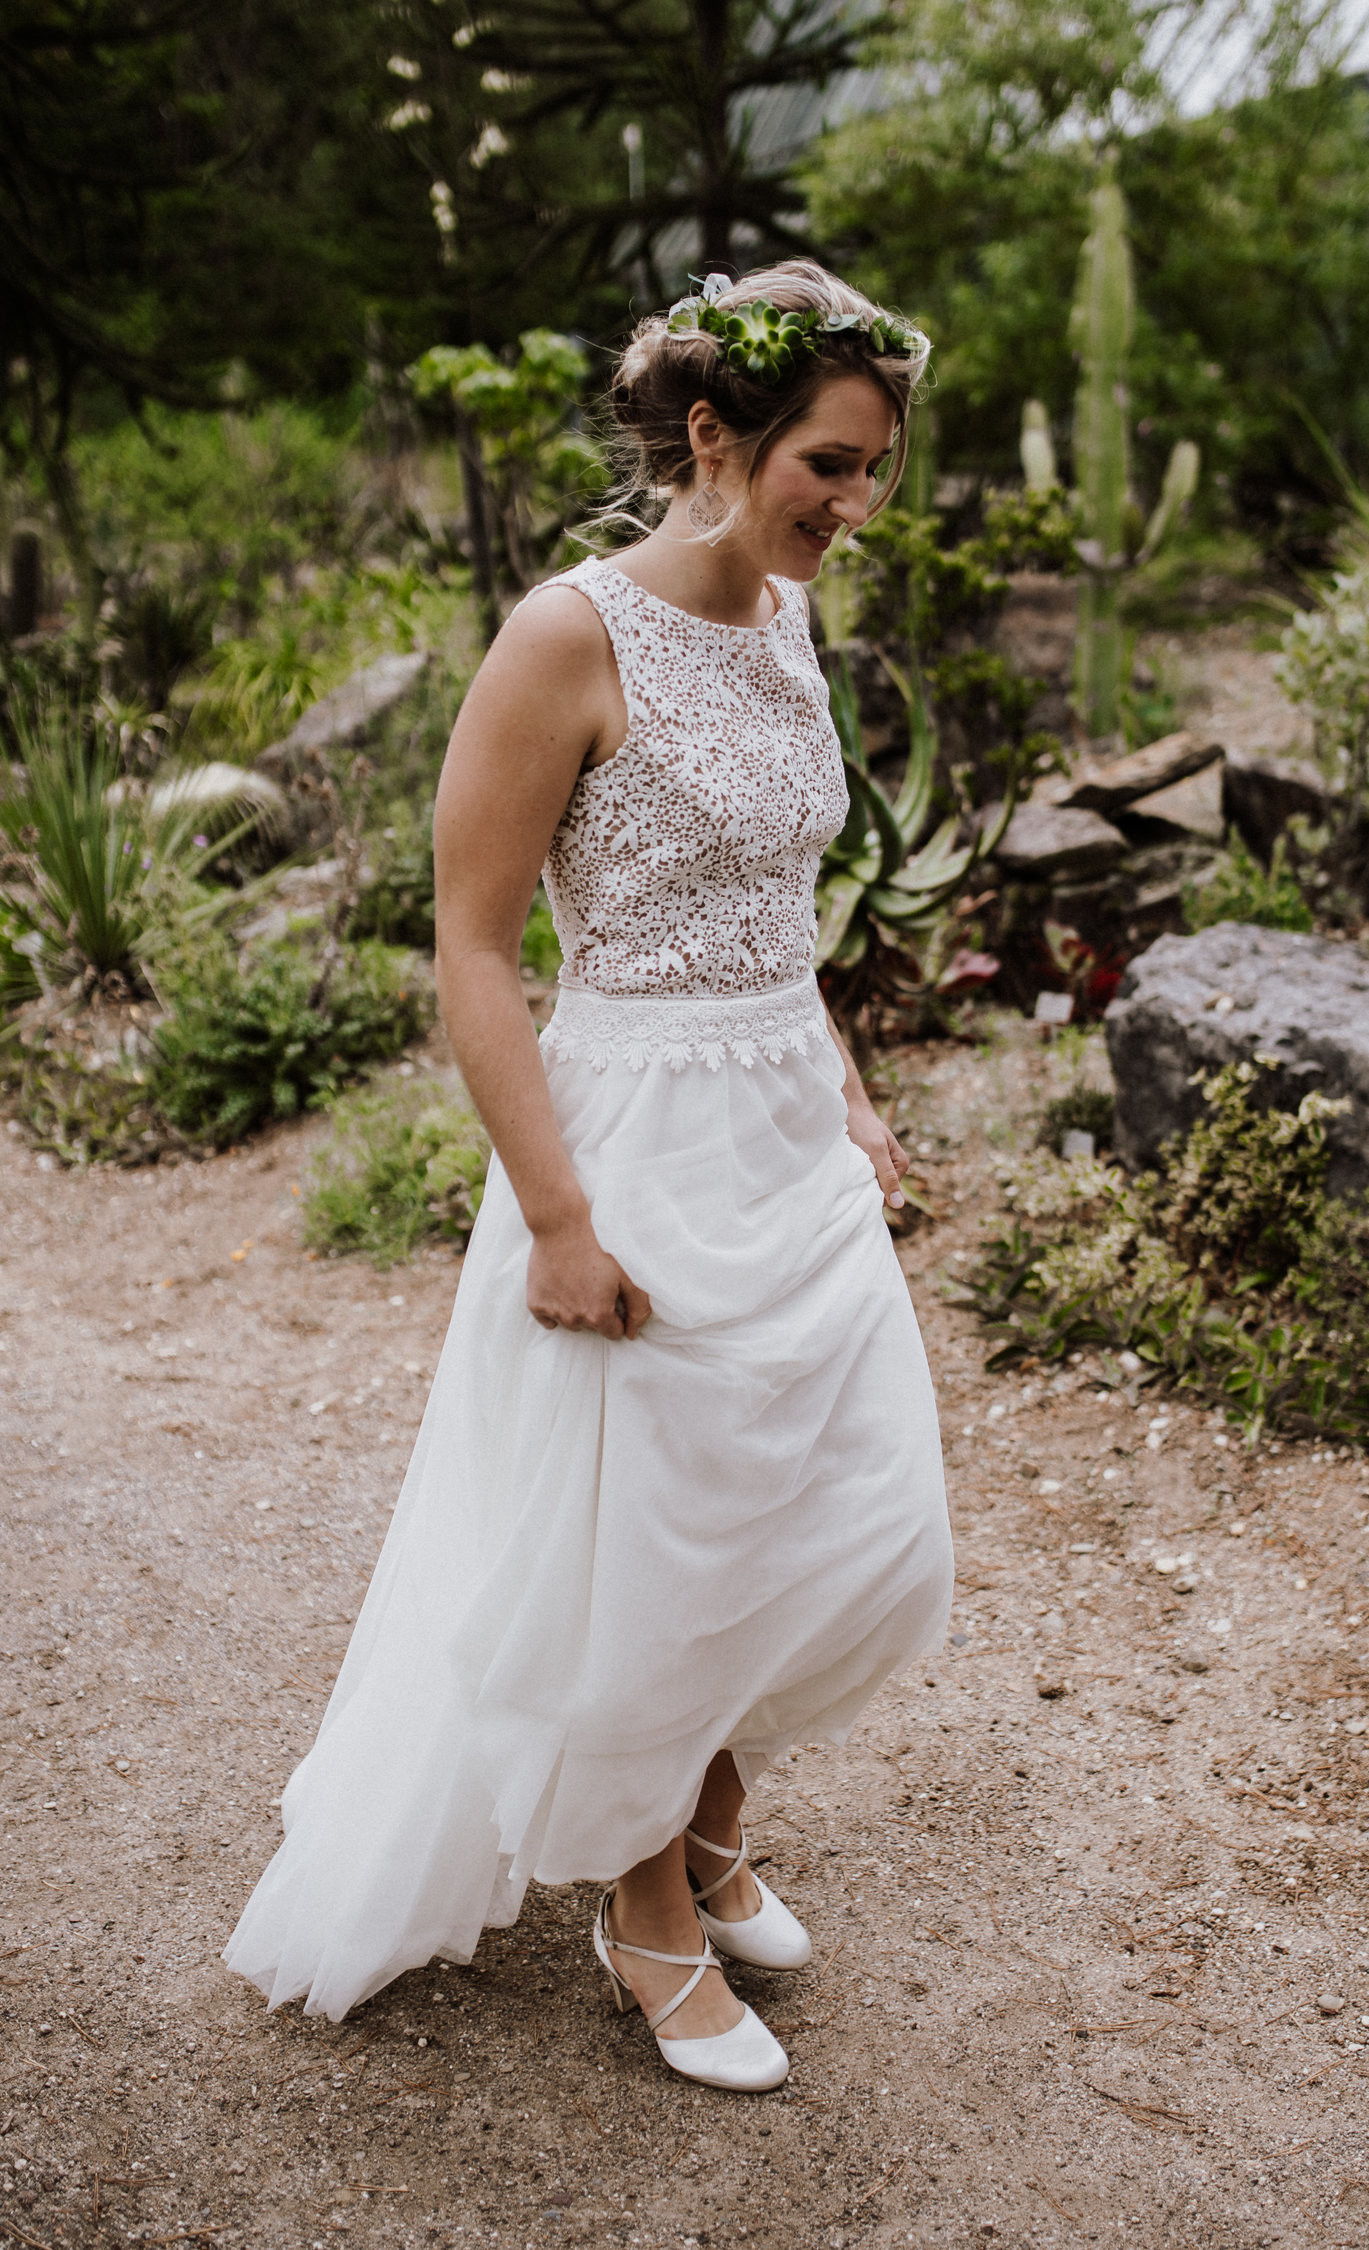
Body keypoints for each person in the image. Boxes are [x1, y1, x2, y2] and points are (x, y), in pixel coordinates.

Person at [223, 259, 954, 2095]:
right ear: (714, 437)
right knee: (661, 1549)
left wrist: (849, 1092)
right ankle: (646, 1909)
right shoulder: (568, 637)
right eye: (830, 468)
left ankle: (710, 1828)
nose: (854, 509)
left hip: (785, 1117)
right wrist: (556, 1217)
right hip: (630, 1136)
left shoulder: (782, 613)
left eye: (873, 473)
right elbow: (471, 949)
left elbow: (777, 909)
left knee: (838, 1524)